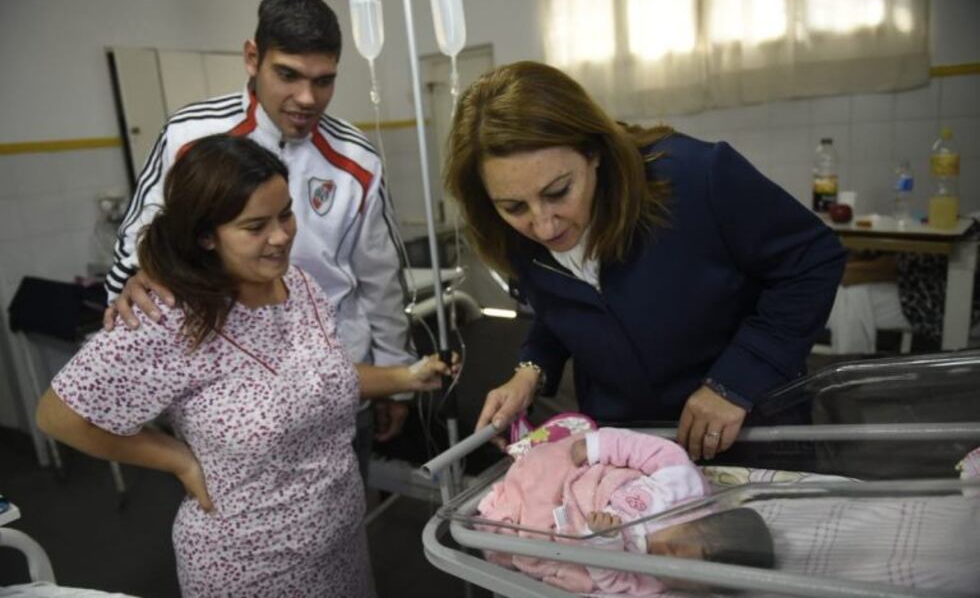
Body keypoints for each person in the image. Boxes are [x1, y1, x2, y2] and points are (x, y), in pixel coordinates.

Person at [35, 135, 453, 597]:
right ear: (206, 236)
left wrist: (405, 377)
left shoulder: (299, 285)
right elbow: (60, 415)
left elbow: (314, 379)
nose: (281, 236)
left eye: (286, 215)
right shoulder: (168, 317)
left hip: (341, 541)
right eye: (256, 226)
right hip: (249, 566)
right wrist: (174, 458)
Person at [445, 61, 846, 460]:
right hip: (630, 449)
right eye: (514, 206)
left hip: (748, 430)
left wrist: (735, 382)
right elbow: (564, 308)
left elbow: (812, 261)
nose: (544, 226)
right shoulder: (515, 236)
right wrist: (531, 370)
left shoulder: (695, 179)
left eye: (559, 191)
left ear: (593, 152)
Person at [103, 0, 415, 473]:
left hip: (330, 378)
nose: (307, 98)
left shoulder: (356, 162)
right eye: (287, 74)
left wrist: (395, 376)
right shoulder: (191, 137)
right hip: (225, 397)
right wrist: (129, 282)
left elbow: (380, 279)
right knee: (238, 524)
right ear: (253, 58)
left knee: (339, 519)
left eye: (324, 80)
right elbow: (141, 232)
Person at [477, 427, 774, 595]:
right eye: (679, 544)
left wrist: (603, 546)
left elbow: (611, 583)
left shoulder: (649, 583)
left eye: (681, 575)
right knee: (550, 464)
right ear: (705, 520)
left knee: (531, 540)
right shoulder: (685, 489)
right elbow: (648, 449)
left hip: (571, 529)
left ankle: (509, 512)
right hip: (590, 482)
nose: (664, 554)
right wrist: (596, 447)